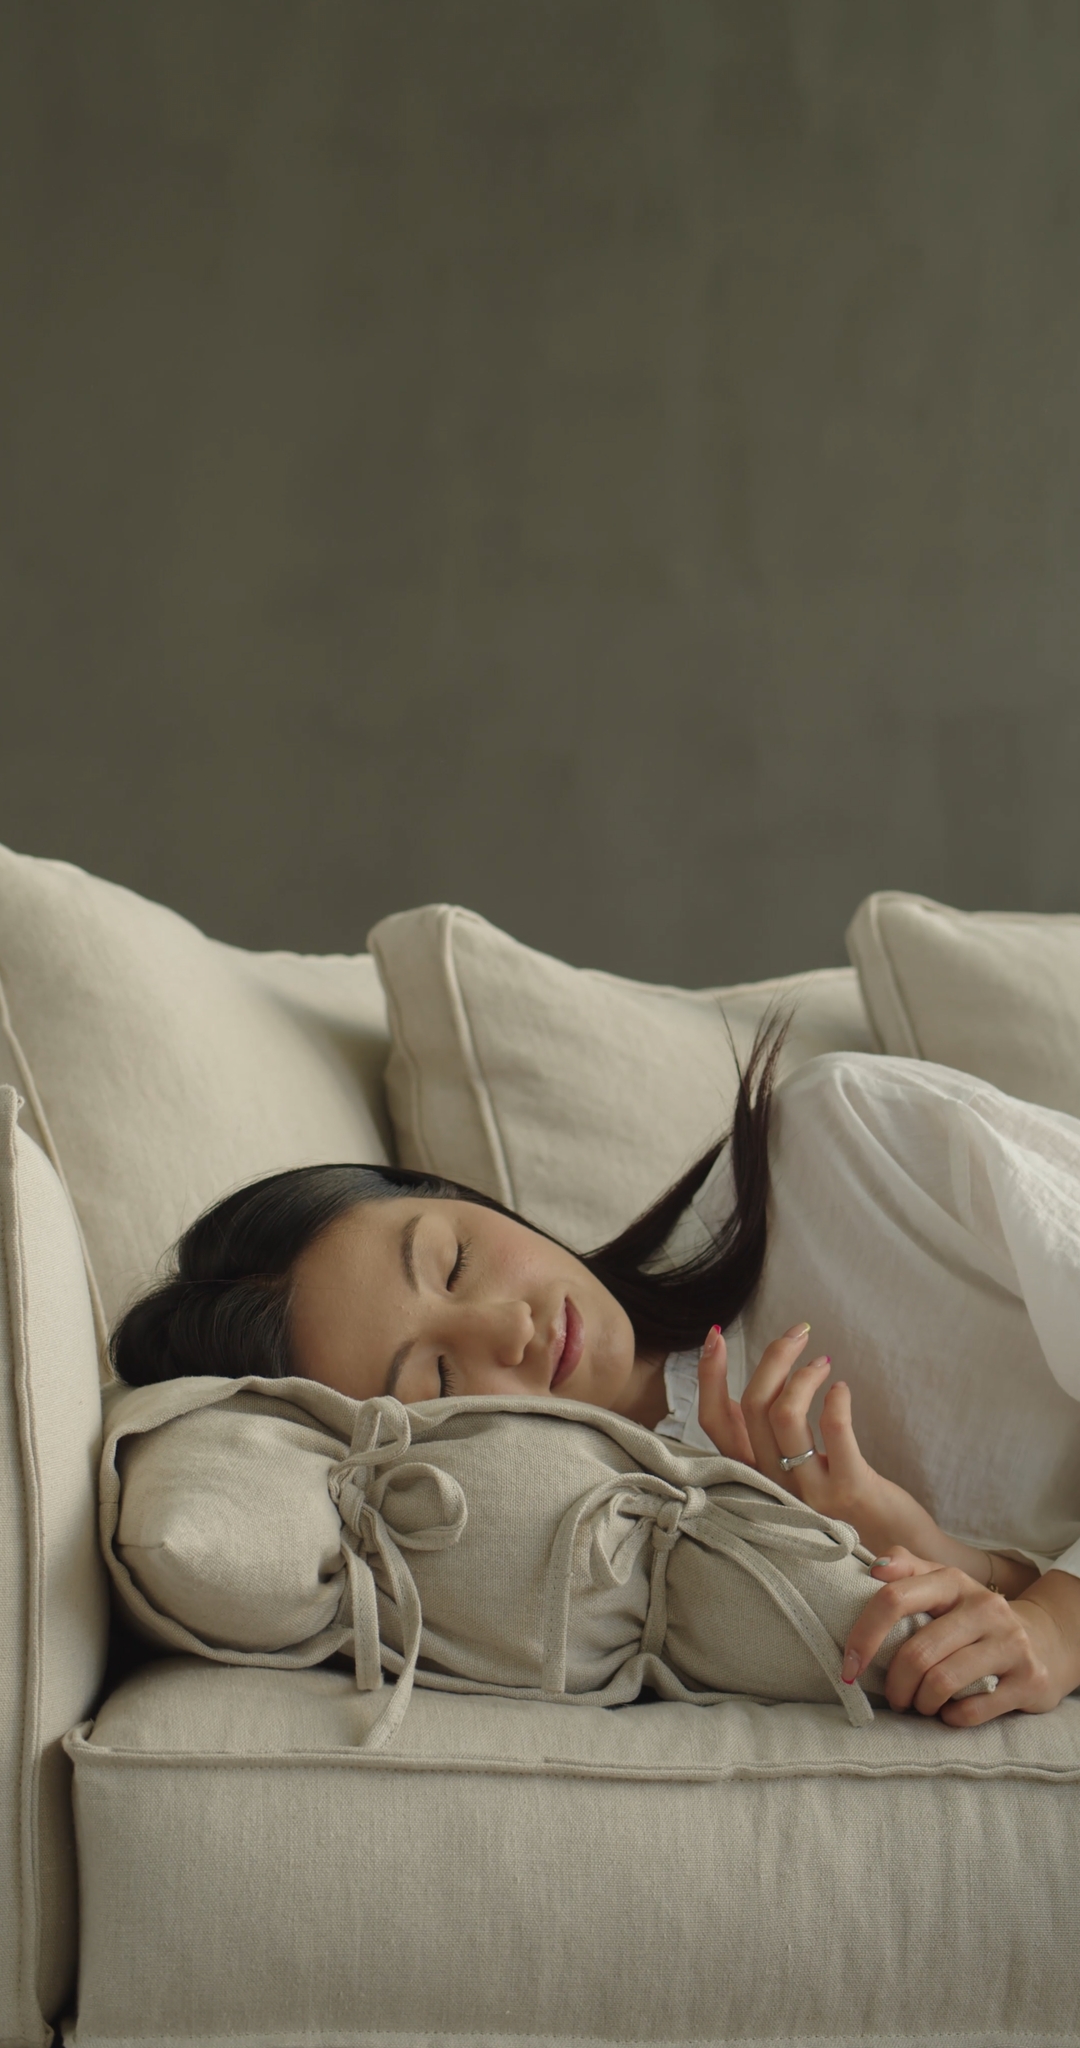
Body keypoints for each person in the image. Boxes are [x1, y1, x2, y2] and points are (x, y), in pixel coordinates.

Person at [111, 1012, 1080, 1727]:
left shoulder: (843, 1154)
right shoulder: (649, 1555)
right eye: (440, 1377)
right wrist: (951, 1558)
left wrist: (1059, 1622)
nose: (511, 1326)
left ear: (455, 1192)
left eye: (452, 1257)